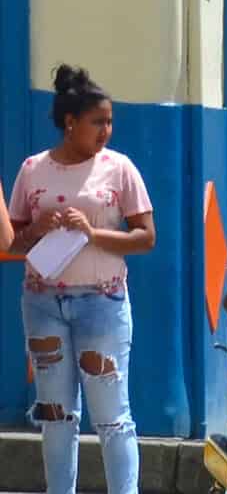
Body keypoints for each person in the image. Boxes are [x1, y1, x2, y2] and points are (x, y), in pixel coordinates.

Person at [6, 65, 156, 494]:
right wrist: (38, 229)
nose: (106, 130)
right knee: (56, 415)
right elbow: (13, 243)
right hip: (42, 303)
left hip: (102, 304)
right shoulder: (32, 170)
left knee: (112, 415)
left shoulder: (120, 169)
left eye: (109, 121)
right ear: (70, 123)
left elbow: (145, 238)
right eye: (98, 122)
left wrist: (93, 233)